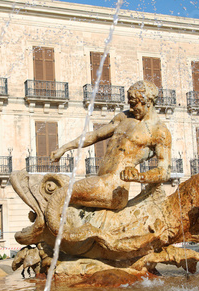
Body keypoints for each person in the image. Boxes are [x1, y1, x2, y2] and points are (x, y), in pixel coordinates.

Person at [50, 80, 172, 211]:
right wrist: (64, 148)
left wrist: (139, 177)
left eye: (134, 104)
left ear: (147, 101)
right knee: (58, 202)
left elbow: (164, 172)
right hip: (100, 180)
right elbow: (95, 135)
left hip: (114, 189)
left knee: (59, 196)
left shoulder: (159, 132)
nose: (131, 108)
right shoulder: (124, 117)